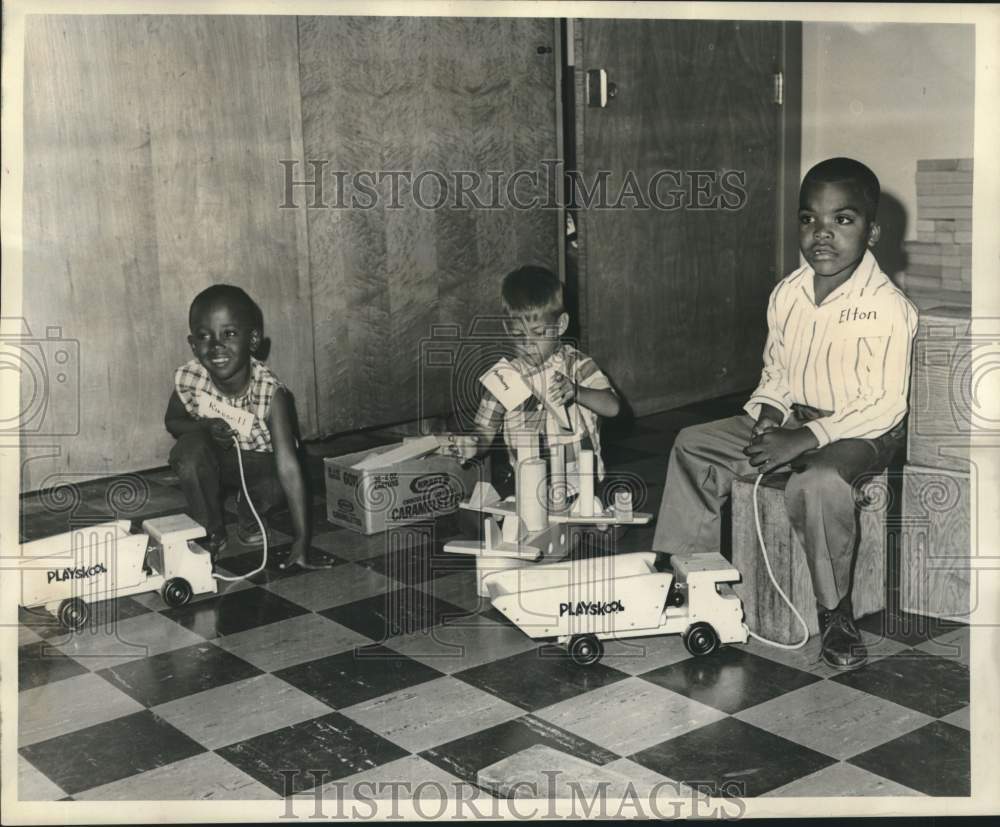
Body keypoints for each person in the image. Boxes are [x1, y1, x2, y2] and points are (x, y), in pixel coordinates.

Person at [653, 158, 918, 669]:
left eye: (843, 220)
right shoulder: (788, 295)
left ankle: (834, 612)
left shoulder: (886, 307)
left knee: (816, 483)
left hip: (863, 429)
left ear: (873, 231)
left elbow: (883, 405)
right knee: (694, 443)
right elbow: (776, 372)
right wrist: (771, 417)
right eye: (808, 219)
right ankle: (690, 573)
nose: (823, 234)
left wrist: (804, 440)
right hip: (798, 421)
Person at [164, 285, 330, 571]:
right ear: (192, 344)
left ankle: (250, 512)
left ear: (252, 340)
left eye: (229, 334)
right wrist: (203, 426)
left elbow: (289, 467)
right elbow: (173, 421)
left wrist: (301, 542)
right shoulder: (191, 377)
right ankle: (209, 531)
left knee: (280, 480)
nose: (216, 346)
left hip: (260, 465)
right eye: (204, 336)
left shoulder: (269, 392)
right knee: (188, 451)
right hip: (215, 458)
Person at [446, 265, 620, 501]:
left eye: (538, 333)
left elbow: (612, 407)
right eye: (519, 335)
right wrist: (473, 444)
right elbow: (484, 432)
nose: (528, 344)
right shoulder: (505, 377)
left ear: (560, 325)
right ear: (508, 329)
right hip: (530, 488)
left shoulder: (578, 364)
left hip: (583, 484)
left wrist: (578, 392)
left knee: (586, 530)